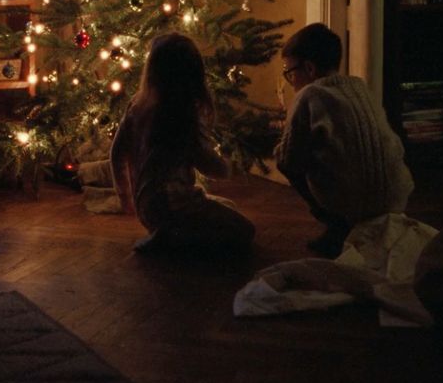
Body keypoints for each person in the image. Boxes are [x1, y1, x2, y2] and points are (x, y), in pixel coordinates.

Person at [275, 23, 414, 257]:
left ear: (309, 68)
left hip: (351, 204)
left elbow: (288, 159)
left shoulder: (309, 95)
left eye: (290, 72)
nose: (290, 81)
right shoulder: (360, 87)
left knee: (286, 160)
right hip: (396, 197)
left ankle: (339, 226)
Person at [111, 33, 256, 253]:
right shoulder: (180, 116)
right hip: (173, 206)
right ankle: (170, 239)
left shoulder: (137, 106)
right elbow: (209, 165)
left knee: (228, 206)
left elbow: (117, 154)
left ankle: (167, 232)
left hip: (147, 208)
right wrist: (232, 166)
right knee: (244, 231)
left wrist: (125, 197)